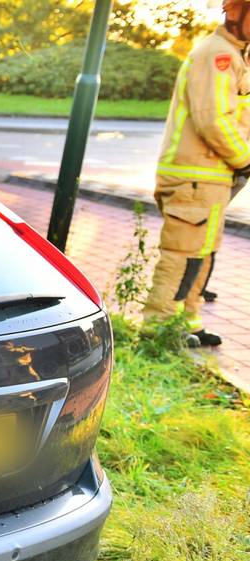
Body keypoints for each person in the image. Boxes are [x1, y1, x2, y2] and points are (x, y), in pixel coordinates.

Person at [144, 0, 250, 347]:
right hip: (195, 176)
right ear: (237, 14)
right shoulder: (217, 55)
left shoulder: (235, 56)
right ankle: (157, 330)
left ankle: (187, 322)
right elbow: (213, 118)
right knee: (181, 255)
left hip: (210, 177)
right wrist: (245, 158)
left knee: (201, 253)